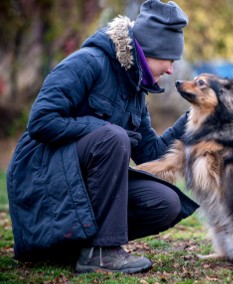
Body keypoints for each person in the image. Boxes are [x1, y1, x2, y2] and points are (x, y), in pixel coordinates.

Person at [6, 0, 199, 275]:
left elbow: (151, 154)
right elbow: (41, 121)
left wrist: (193, 119)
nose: (170, 70)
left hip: (80, 187)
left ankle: (80, 247)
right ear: (149, 50)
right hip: (41, 180)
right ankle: (103, 252)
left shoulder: (134, 87)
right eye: (169, 59)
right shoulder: (88, 62)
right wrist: (103, 128)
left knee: (165, 203)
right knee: (112, 136)